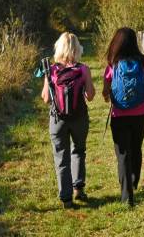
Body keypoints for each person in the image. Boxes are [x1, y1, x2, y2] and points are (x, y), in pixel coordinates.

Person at [102, 27, 144, 207]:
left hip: (119, 115)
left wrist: (107, 96)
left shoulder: (112, 63)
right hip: (140, 113)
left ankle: (127, 197)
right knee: (136, 148)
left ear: (117, 42)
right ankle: (134, 180)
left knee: (123, 154)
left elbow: (106, 90)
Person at [41, 32, 95, 209]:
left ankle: (66, 198)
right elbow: (91, 95)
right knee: (78, 151)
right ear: (77, 49)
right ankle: (78, 188)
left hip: (58, 119)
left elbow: (46, 99)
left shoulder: (52, 70)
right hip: (79, 118)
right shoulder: (83, 69)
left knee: (61, 157)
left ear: (59, 48)